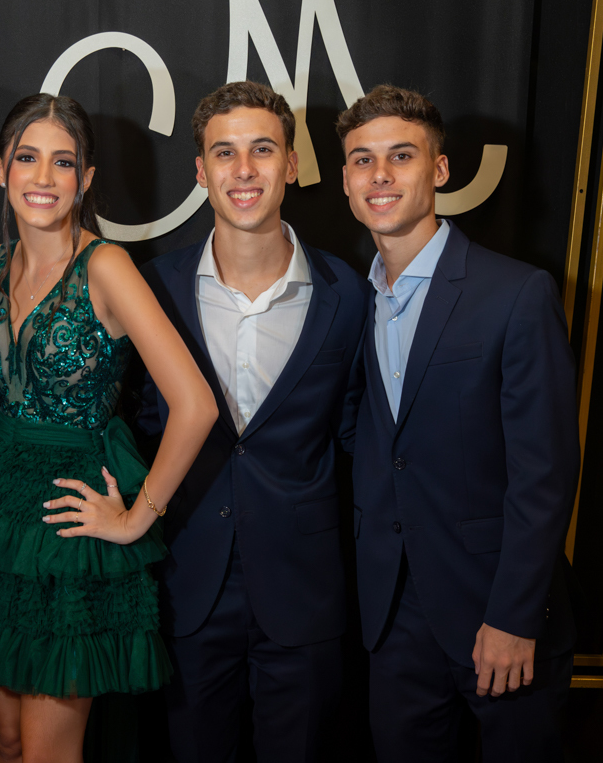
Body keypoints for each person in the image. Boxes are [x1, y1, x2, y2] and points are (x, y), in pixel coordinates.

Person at [0, 93, 218, 763]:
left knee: (47, 753)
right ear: (0, 168)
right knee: (6, 740)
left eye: (63, 162)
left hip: (64, 520)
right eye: (27, 157)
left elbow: (195, 404)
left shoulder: (105, 265)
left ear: (85, 179)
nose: (44, 177)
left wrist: (138, 517)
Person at [340, 84, 578, 762]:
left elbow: (544, 473)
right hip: (392, 616)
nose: (380, 175)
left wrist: (513, 615)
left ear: (439, 170)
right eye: (362, 160)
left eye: (401, 156)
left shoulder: (516, 293)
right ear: (348, 181)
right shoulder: (353, 299)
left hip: (495, 610)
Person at [138, 81, 371, 762]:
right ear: (200, 171)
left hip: (304, 590)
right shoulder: (154, 289)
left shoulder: (347, 294)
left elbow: (358, 432)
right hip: (187, 583)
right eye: (225, 152)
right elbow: (134, 417)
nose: (243, 170)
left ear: (292, 165)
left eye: (262, 150)